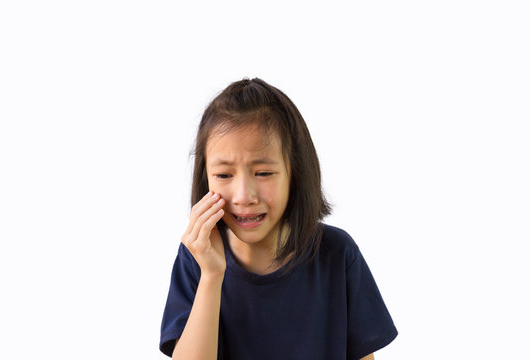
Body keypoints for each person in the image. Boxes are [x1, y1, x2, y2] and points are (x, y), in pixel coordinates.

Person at [159, 78, 398, 360]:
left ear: (294, 175)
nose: (243, 195)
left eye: (263, 173)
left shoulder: (337, 253)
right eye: (224, 175)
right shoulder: (197, 258)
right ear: (205, 179)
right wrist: (211, 275)